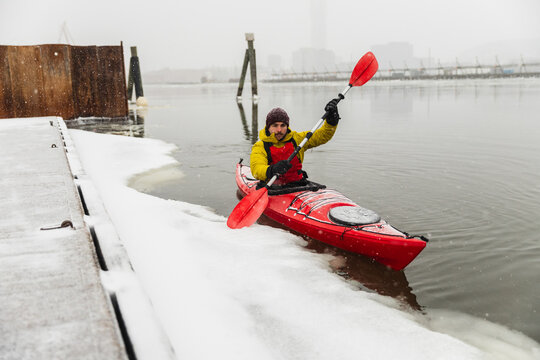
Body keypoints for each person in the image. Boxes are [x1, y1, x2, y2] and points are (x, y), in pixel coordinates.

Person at [250, 98, 340, 186]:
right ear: (268, 127)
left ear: (287, 126)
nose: (279, 130)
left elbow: (323, 135)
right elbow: (256, 169)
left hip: (298, 185)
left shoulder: (297, 139)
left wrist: (331, 121)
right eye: (275, 125)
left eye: (283, 125)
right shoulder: (260, 146)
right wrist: (272, 169)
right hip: (272, 188)